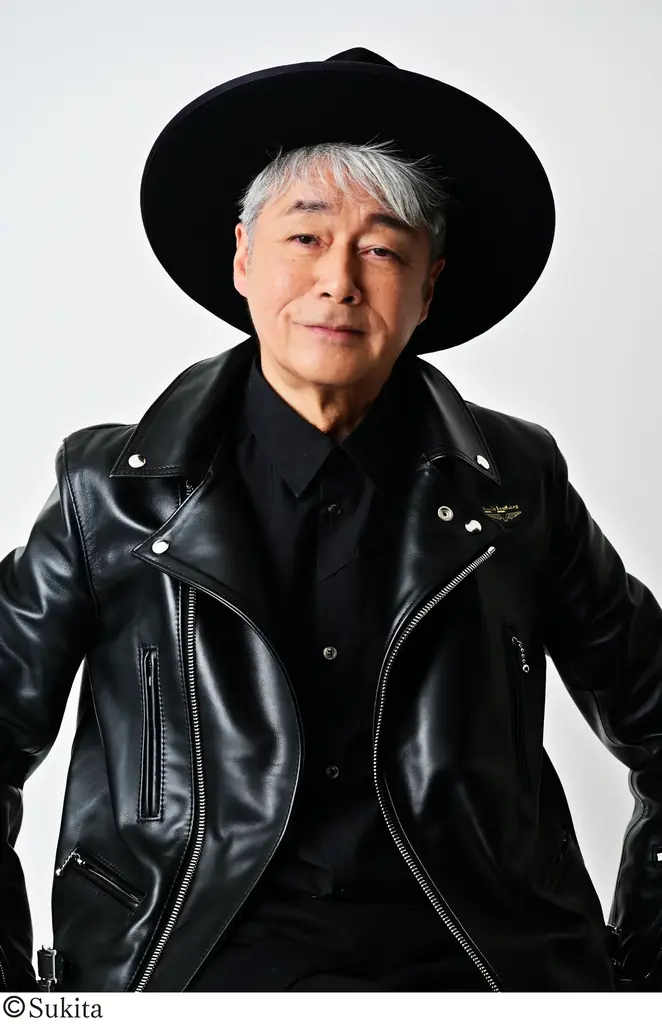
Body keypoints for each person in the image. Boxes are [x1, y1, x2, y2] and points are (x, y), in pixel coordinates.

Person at [0, 46, 660, 994]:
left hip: (478, 975)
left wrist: (641, 978)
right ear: (243, 258)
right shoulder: (108, 491)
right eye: (305, 237)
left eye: (383, 249)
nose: (339, 279)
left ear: (428, 287)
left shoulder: (516, 483)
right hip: (183, 972)